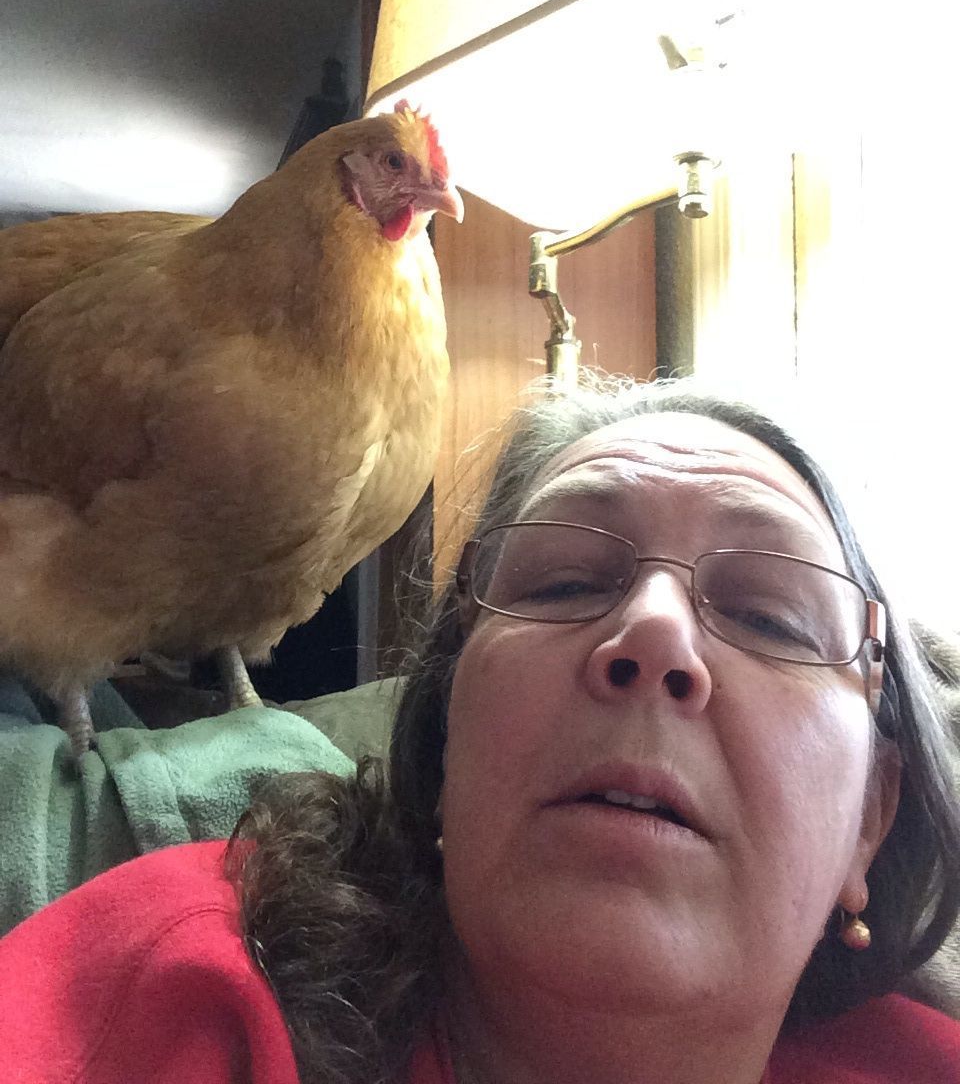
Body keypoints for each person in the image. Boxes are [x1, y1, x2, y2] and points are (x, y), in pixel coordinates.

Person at [2, 375, 960, 1084]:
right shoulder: (182, 988)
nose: (654, 634)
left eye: (769, 618)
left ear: (870, 817)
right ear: (448, 736)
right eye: (564, 582)